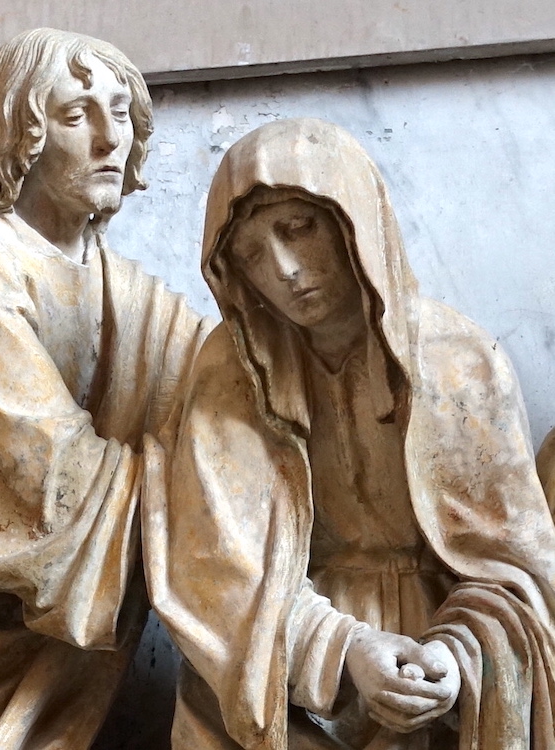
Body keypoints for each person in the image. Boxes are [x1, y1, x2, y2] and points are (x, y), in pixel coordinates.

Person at [143, 118, 555, 749]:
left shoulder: (458, 360)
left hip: (438, 651)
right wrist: (342, 651)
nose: (282, 270)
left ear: (352, 219)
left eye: (298, 229)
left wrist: (456, 658)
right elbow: (216, 567)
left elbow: (519, 570)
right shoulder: (232, 371)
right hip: (288, 655)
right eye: (251, 255)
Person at [0, 28, 211, 749]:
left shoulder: (123, 291)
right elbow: (50, 491)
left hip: (43, 655)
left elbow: (220, 389)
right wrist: (215, 493)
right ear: (21, 133)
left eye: (122, 113)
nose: (111, 139)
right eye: (78, 115)